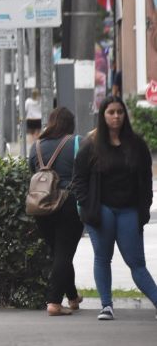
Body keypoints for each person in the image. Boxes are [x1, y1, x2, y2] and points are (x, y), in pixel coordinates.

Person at [72, 96, 157, 321]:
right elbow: (78, 179)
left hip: (129, 210)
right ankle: (106, 306)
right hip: (102, 210)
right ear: (103, 115)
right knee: (102, 258)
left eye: (120, 112)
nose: (116, 116)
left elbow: (146, 179)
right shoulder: (91, 145)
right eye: (111, 112)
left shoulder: (136, 144)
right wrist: (86, 204)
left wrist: (145, 206)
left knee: (136, 262)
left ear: (125, 115)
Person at [28, 107, 84, 316]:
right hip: (69, 203)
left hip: (40, 205)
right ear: (70, 124)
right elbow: (85, 171)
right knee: (64, 253)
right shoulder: (76, 142)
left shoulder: (37, 146)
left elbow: (32, 170)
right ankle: (53, 302)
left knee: (59, 253)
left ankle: (72, 297)